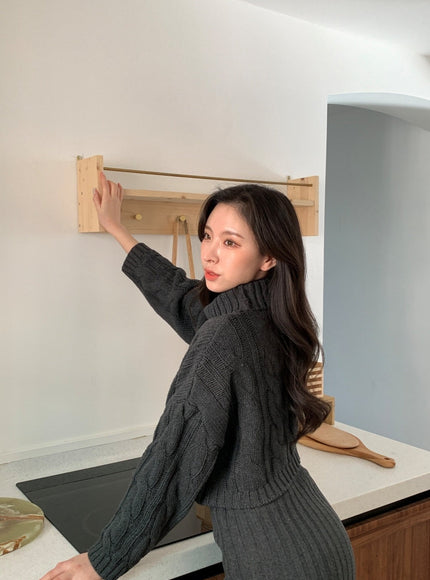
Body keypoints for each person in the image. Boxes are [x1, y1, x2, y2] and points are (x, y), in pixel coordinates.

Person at [40, 173, 355, 580]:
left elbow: (173, 459)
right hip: (315, 532)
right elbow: (179, 295)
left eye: (230, 242)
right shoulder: (273, 315)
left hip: (275, 558)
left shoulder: (224, 336)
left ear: (269, 257)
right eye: (207, 236)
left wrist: (104, 559)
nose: (209, 254)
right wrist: (117, 228)